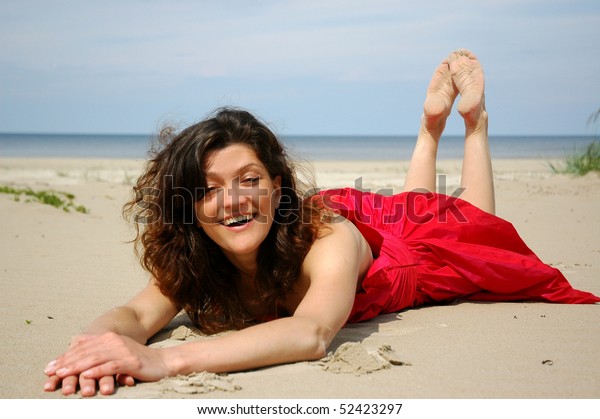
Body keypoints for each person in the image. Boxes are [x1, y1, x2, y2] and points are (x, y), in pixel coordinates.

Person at [43, 49, 600, 397]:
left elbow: (311, 333)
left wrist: (159, 359)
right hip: (342, 226)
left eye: (249, 179)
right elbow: (140, 311)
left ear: (276, 185)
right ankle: (428, 130)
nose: (232, 201)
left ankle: (471, 125)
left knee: (463, 225)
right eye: (210, 189)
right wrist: (94, 343)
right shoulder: (199, 252)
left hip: (385, 256)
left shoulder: (325, 239)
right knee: (416, 206)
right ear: (190, 205)